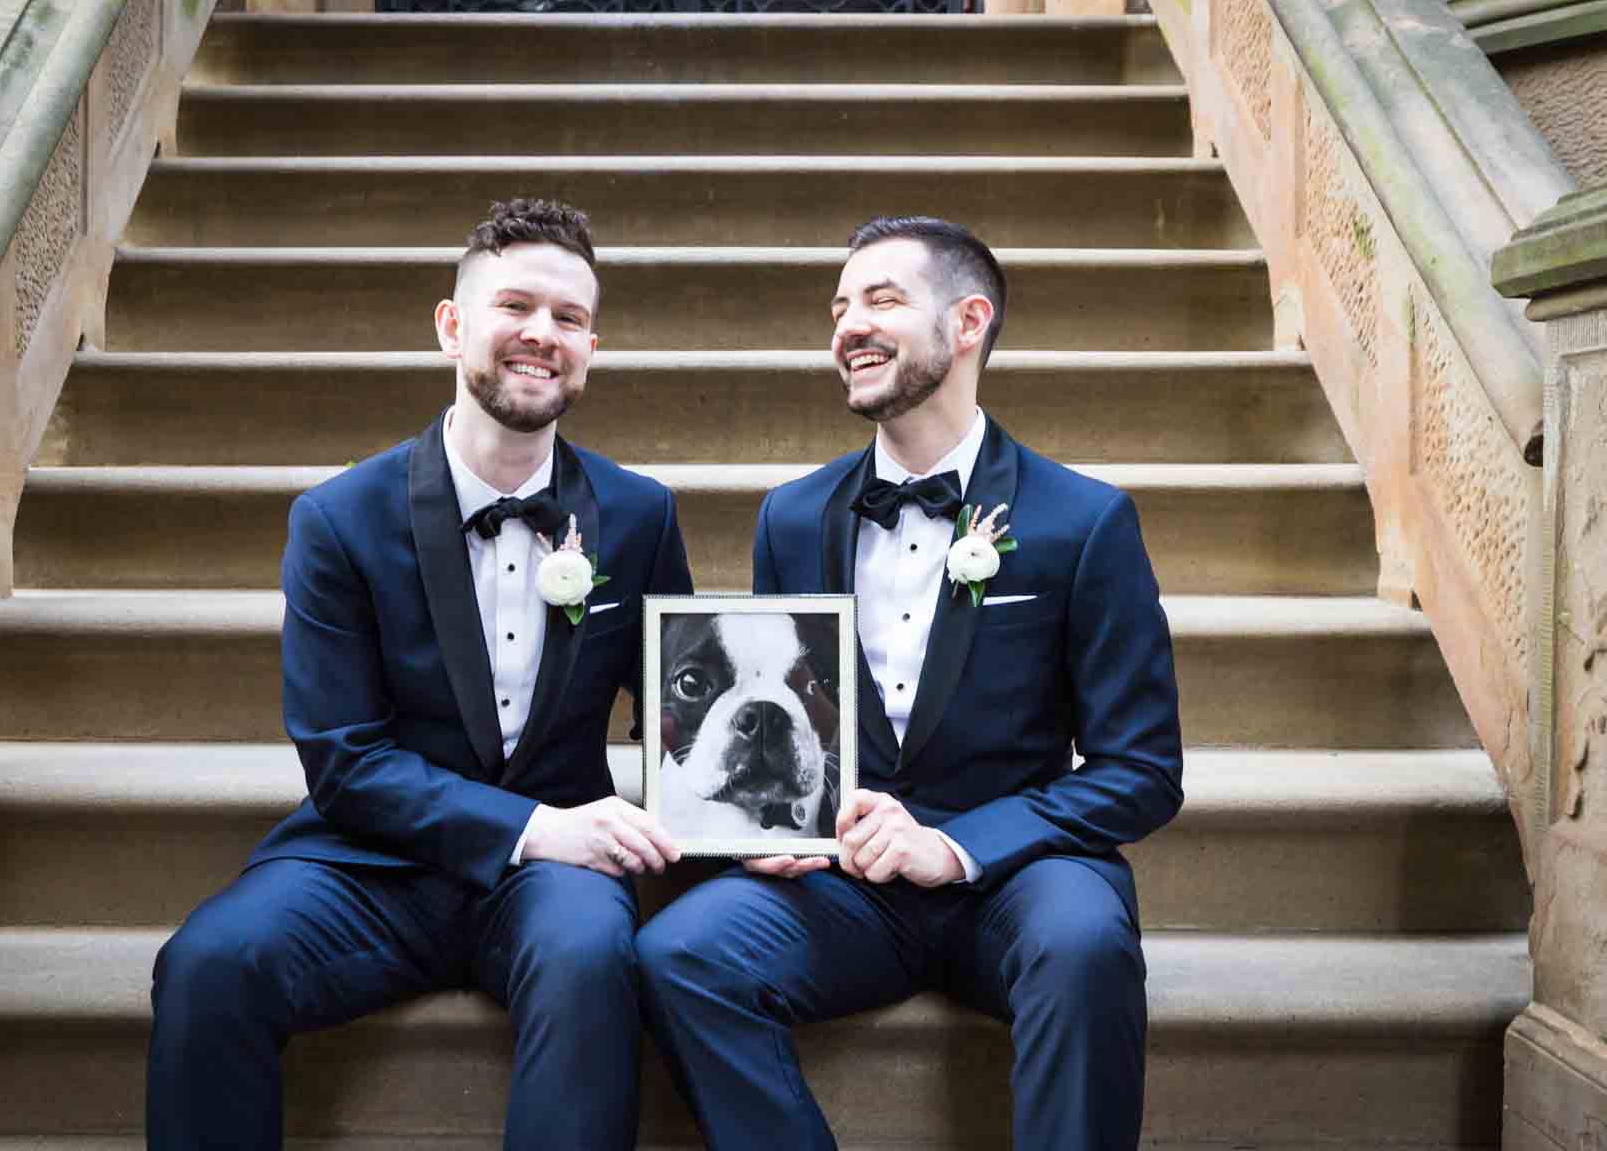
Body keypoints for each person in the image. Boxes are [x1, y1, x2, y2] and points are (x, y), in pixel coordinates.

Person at [147, 198, 691, 1151]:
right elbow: (345, 761)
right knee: (209, 964)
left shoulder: (640, 516)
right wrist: (533, 828)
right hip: (371, 862)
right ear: (452, 326)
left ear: (591, 348)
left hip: (554, 881)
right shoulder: (338, 518)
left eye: (568, 319)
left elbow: (681, 712)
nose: (540, 334)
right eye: (514, 306)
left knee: (591, 961)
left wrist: (761, 817)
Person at [635, 215, 1184, 1150]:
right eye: (839, 306)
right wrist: (766, 833)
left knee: (1086, 946)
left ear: (969, 322)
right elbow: (796, 719)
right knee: (677, 954)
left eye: (881, 300)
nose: (848, 324)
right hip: (851, 887)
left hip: (1020, 872)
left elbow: (1141, 771)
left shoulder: (1084, 522)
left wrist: (958, 848)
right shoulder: (793, 516)